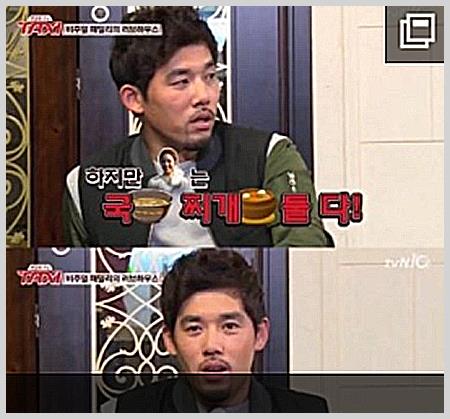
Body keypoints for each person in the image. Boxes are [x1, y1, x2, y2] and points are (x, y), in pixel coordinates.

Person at [63, 6, 333, 247]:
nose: (204, 96)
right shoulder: (86, 186)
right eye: (181, 82)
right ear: (134, 99)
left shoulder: (269, 157)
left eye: (210, 76)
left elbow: (306, 249)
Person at [116, 249, 329, 412]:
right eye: (194, 328)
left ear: (260, 335)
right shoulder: (134, 409)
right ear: (170, 340)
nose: (212, 346)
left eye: (229, 327)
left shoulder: (307, 411)